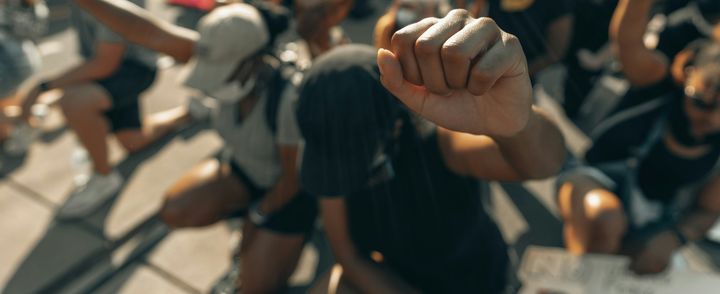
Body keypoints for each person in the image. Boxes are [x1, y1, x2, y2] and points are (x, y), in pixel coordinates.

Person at [299, 10, 566, 293]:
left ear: (395, 127)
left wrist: (517, 125)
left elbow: (543, 164)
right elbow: (349, 256)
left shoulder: (440, 144)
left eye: (354, 156)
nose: (345, 171)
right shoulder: (326, 160)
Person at [71, 0, 317, 292]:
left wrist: (256, 221)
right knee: (176, 209)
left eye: (221, 71)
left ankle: (282, 236)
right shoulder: (219, 49)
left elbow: (292, 179)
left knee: (254, 287)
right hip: (245, 169)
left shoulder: (289, 96)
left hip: (290, 192)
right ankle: (247, 221)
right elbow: (146, 31)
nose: (212, 79)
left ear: (255, 59)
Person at [557, 0, 720, 274]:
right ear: (687, 73)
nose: (712, 119)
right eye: (702, 102)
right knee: (604, 221)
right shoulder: (656, 85)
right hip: (592, 180)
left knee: (650, 264)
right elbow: (627, 41)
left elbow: (706, 210)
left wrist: (674, 238)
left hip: (653, 218)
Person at [18, 0, 191, 218]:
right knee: (133, 141)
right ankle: (187, 112)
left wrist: (42, 88)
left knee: (75, 104)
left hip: (133, 70)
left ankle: (103, 176)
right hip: (118, 67)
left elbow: (105, 63)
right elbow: (94, 58)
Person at [0, 0, 47, 155]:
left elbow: (30, 30)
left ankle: (26, 121)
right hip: (17, 58)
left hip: (12, 61)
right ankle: (28, 117)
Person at [481, 0, 575, 77]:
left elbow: (555, 52)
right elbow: (477, 11)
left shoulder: (559, 3)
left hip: (520, 75)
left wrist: (517, 73)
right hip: (482, 58)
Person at [373, 0, 449, 50]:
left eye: (412, 8)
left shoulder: (440, 30)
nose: (407, 11)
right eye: (405, 6)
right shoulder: (387, 24)